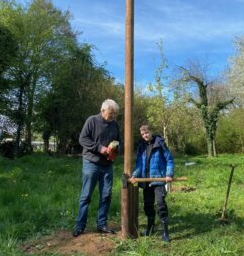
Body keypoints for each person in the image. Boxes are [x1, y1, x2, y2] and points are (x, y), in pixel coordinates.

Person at [73, 99, 120, 237]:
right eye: (111, 113)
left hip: (107, 166)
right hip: (91, 164)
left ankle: (102, 224)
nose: (113, 116)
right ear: (102, 110)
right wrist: (100, 148)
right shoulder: (92, 121)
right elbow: (83, 139)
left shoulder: (114, 125)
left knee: (106, 195)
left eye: (114, 114)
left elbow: (120, 141)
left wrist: (115, 150)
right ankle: (80, 226)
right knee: (86, 196)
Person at [131, 124, 174, 242]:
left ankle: (165, 231)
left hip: (158, 179)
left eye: (147, 133)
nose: (145, 135)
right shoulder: (141, 147)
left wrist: (169, 174)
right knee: (148, 205)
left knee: (160, 204)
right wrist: (135, 175)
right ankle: (150, 227)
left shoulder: (160, 144)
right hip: (146, 181)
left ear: (151, 132)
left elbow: (169, 160)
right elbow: (139, 164)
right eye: (143, 134)